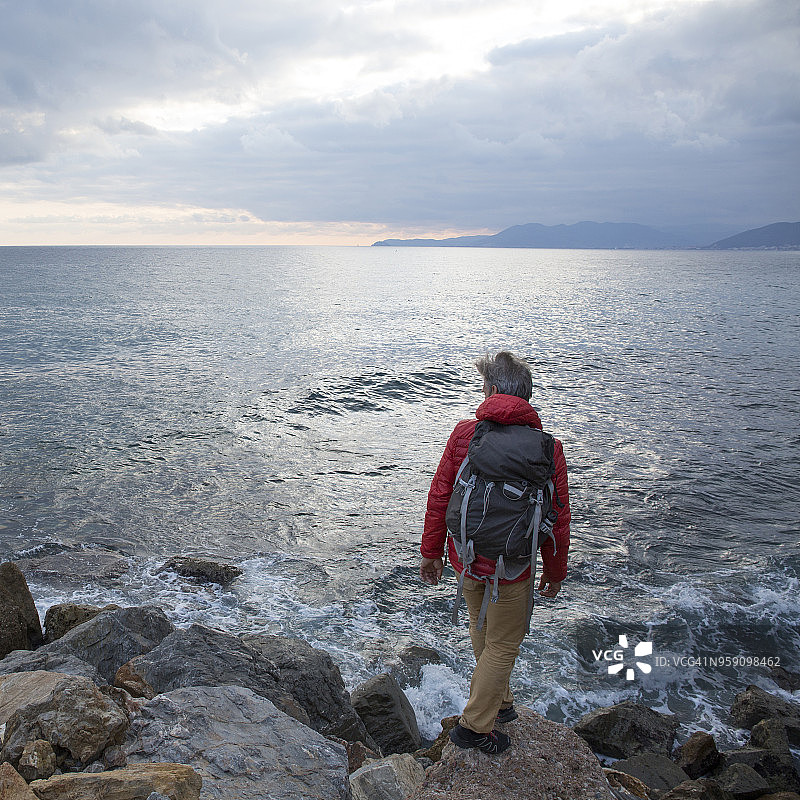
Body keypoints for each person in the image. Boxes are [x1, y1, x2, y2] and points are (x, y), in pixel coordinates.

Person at [420, 351, 570, 754]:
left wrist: (430, 552)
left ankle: (498, 704)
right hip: (514, 569)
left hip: (467, 557)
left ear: (490, 391)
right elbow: (558, 519)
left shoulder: (464, 434)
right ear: (527, 398)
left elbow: (440, 496)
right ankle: (475, 726)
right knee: (503, 643)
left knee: (482, 630)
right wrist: (555, 571)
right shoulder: (548, 448)